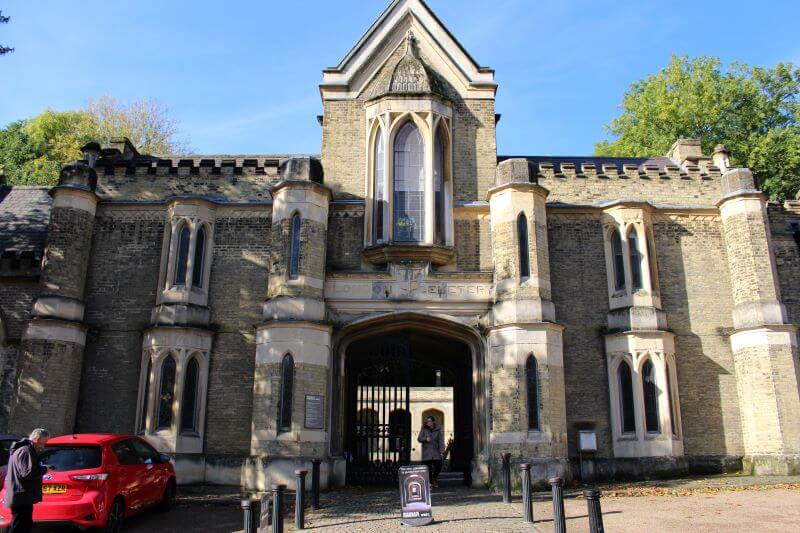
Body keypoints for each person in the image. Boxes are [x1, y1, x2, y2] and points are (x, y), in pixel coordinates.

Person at [4, 428, 49, 533]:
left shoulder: (24, 449)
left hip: (22, 496)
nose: (43, 447)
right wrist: (44, 469)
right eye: (44, 442)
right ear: (37, 439)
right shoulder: (26, 450)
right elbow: (27, 473)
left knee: (23, 526)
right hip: (21, 497)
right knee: (19, 527)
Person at [417, 416, 445, 488]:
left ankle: (434, 478)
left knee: (439, 466)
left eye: (429, 421)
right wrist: (425, 439)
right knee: (428, 468)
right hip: (427, 452)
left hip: (436, 452)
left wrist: (442, 451)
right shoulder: (424, 429)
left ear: (433, 422)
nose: (428, 422)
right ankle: (431, 483)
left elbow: (440, 441)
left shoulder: (438, 430)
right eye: (427, 421)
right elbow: (419, 438)